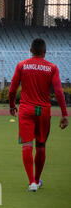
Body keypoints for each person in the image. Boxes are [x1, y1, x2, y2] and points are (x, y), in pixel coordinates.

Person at [9, 38, 68, 192]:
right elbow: (59, 92)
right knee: (41, 145)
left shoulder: (22, 65)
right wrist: (64, 114)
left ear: (31, 50)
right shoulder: (52, 68)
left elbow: (12, 89)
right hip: (44, 111)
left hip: (26, 110)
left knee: (27, 145)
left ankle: (32, 183)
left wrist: (11, 106)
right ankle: (37, 178)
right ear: (45, 52)